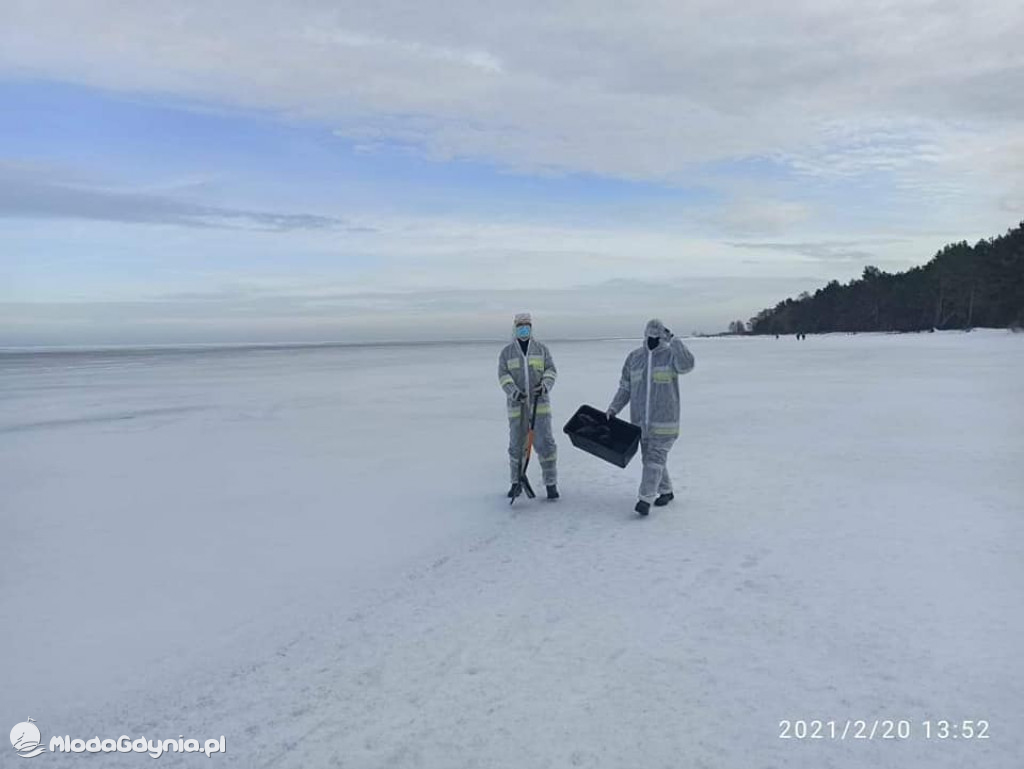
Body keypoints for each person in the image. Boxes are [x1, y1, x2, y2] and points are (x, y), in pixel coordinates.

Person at [606, 319, 695, 516]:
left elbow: (688, 365)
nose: (653, 339)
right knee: (650, 458)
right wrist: (614, 408)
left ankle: (645, 499)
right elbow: (625, 388)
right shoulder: (634, 358)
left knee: (654, 458)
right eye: (650, 336)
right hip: (641, 423)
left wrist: (674, 341)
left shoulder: (671, 355)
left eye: (658, 336)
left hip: (666, 422)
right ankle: (666, 491)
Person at [497, 313, 559, 500]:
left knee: (546, 446)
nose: (524, 328)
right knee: (516, 446)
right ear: (515, 327)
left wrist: (545, 385)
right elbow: (503, 375)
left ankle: (551, 484)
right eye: (520, 325)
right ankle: (516, 483)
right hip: (518, 408)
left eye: (527, 325)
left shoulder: (541, 350)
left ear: (531, 327)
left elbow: (551, 370)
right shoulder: (507, 353)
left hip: (539, 407)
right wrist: (513, 391)